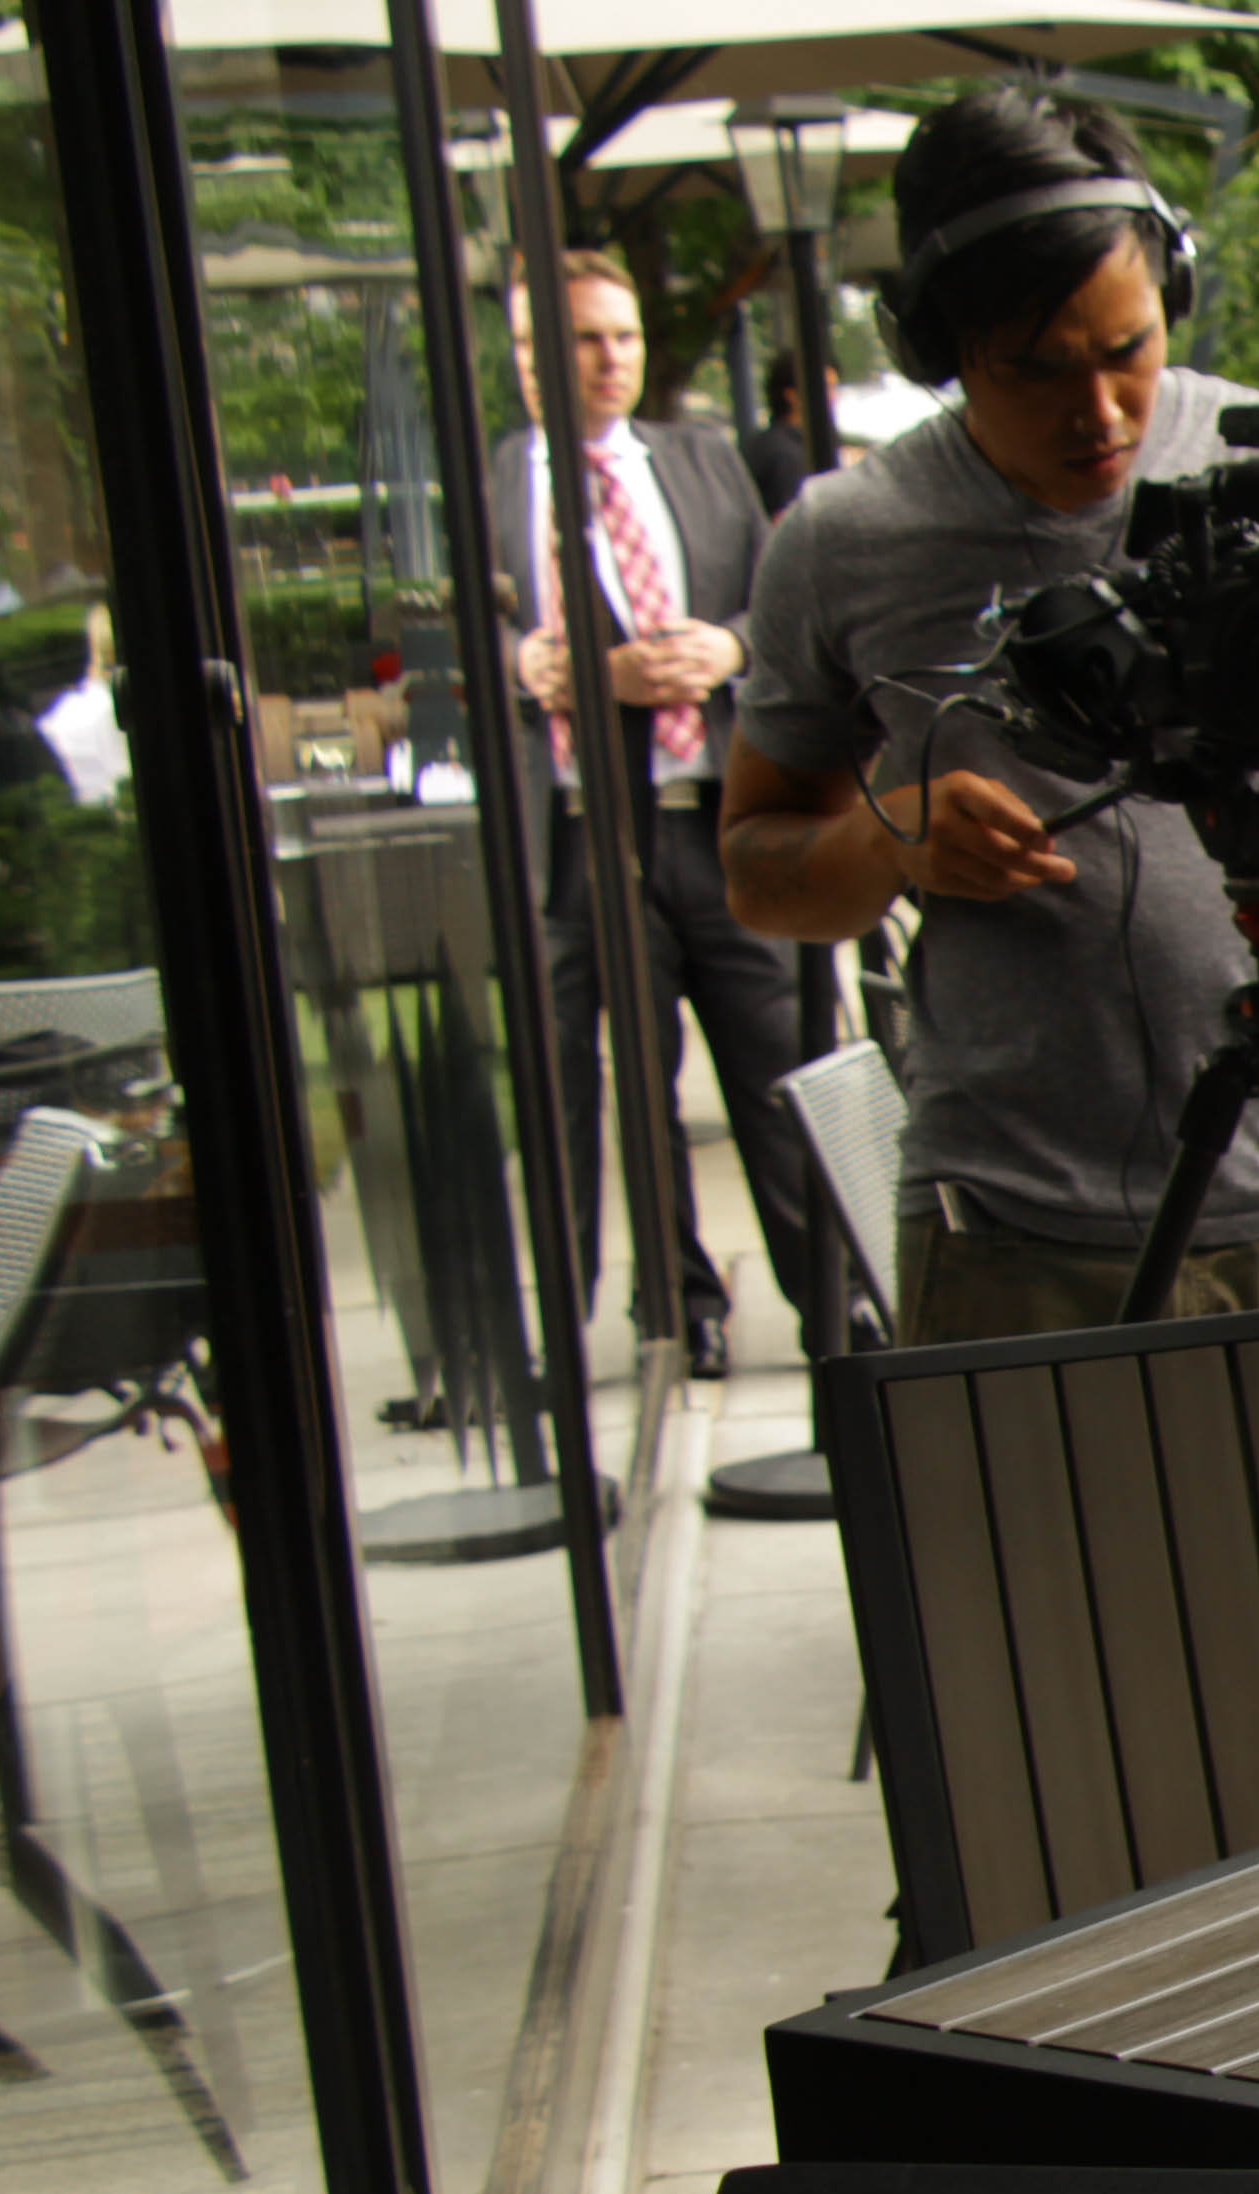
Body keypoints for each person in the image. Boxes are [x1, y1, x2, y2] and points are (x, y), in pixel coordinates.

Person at [724, 88, 1259, 1341]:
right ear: (939, 346)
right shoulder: (843, 542)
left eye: (1130, 348)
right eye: (1038, 369)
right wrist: (889, 841)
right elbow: (755, 870)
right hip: (1010, 1232)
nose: (1101, 412)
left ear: (1174, 293)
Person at [495, 247, 811, 1374]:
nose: (610, 359)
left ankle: (834, 1297)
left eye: (623, 335)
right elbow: (454, 633)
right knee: (626, 1090)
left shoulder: (704, 459)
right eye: (583, 339)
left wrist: (725, 648)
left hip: (719, 819)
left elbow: (783, 603)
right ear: (526, 356)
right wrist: (527, 663)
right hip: (586, 836)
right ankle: (676, 1307)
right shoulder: (495, 483)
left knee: (777, 1067)